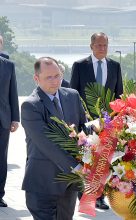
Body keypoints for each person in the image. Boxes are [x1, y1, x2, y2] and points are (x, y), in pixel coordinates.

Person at [21, 57, 87, 220]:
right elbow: (47, 144)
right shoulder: (31, 105)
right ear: (36, 79)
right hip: (43, 184)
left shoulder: (72, 95)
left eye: (57, 75)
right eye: (48, 77)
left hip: (69, 185)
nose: (55, 81)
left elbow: (84, 130)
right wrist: (78, 168)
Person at [70, 32, 123, 210]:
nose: (102, 48)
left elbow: (119, 94)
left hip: (107, 123)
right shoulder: (79, 66)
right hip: (85, 121)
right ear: (91, 46)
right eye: (99, 45)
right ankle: (84, 194)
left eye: (105, 45)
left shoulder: (115, 66)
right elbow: (73, 94)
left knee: (105, 159)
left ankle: (100, 196)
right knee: (86, 158)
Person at [0, 56, 19, 207]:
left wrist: (15, 118)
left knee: (1, 158)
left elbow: (13, 91)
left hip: (3, 119)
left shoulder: (9, 65)